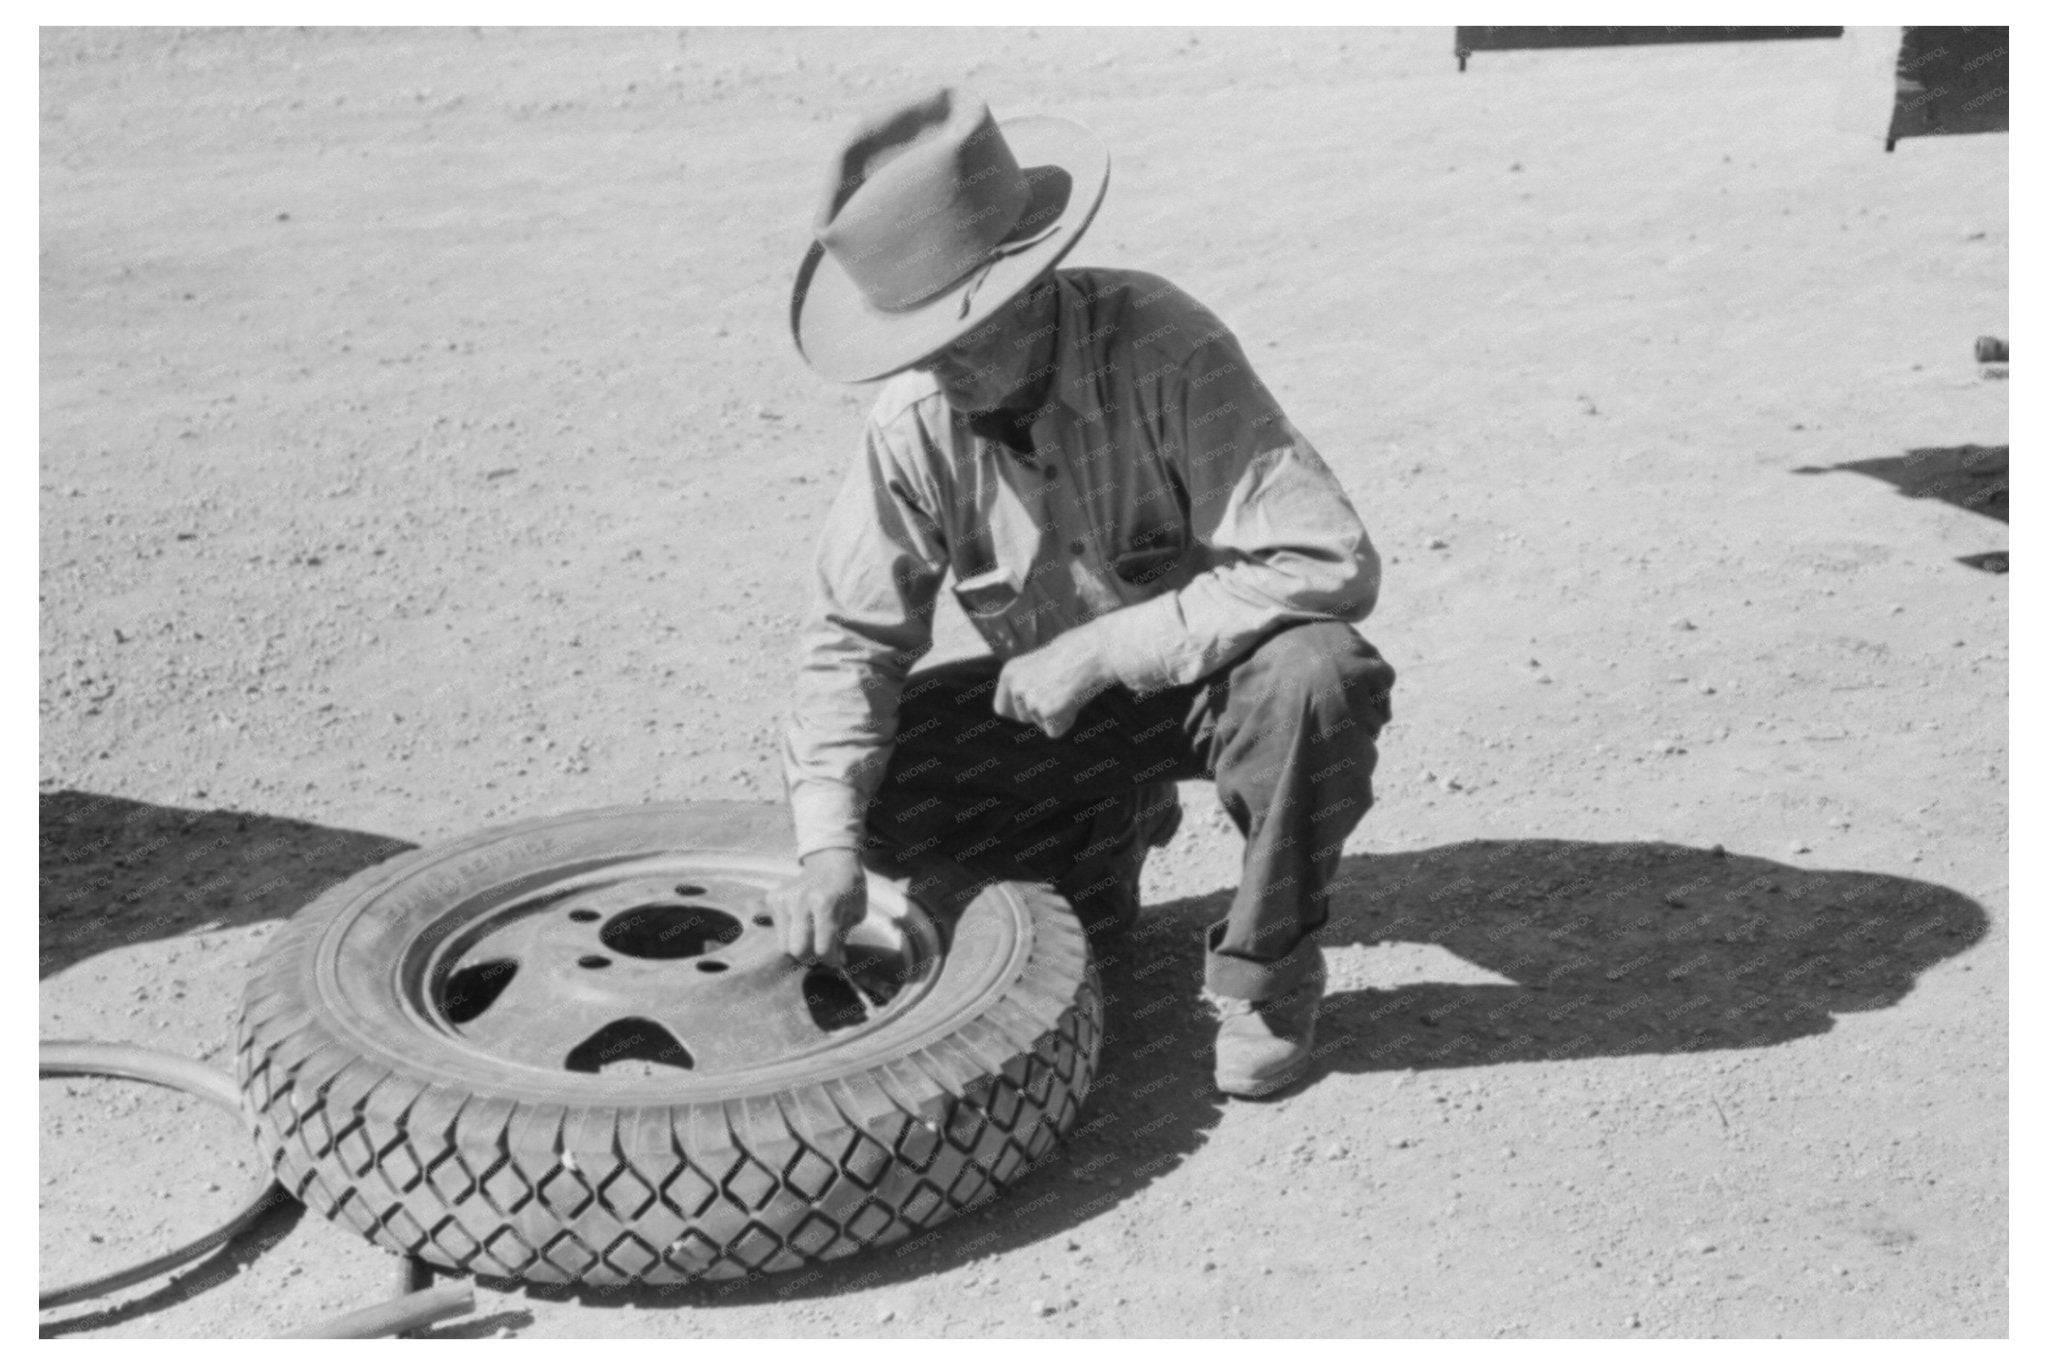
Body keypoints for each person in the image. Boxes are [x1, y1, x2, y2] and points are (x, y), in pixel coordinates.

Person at [766, 87, 1395, 1098]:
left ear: (1037, 284)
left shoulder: (1162, 342)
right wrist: (826, 849)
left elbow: (1325, 560)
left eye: (965, 332)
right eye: (920, 345)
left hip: (1208, 686)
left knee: (1320, 676)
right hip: (1056, 720)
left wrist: (1101, 649)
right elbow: (849, 641)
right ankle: (1096, 854)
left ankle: (1267, 962)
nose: (945, 369)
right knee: (877, 774)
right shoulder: (911, 421)